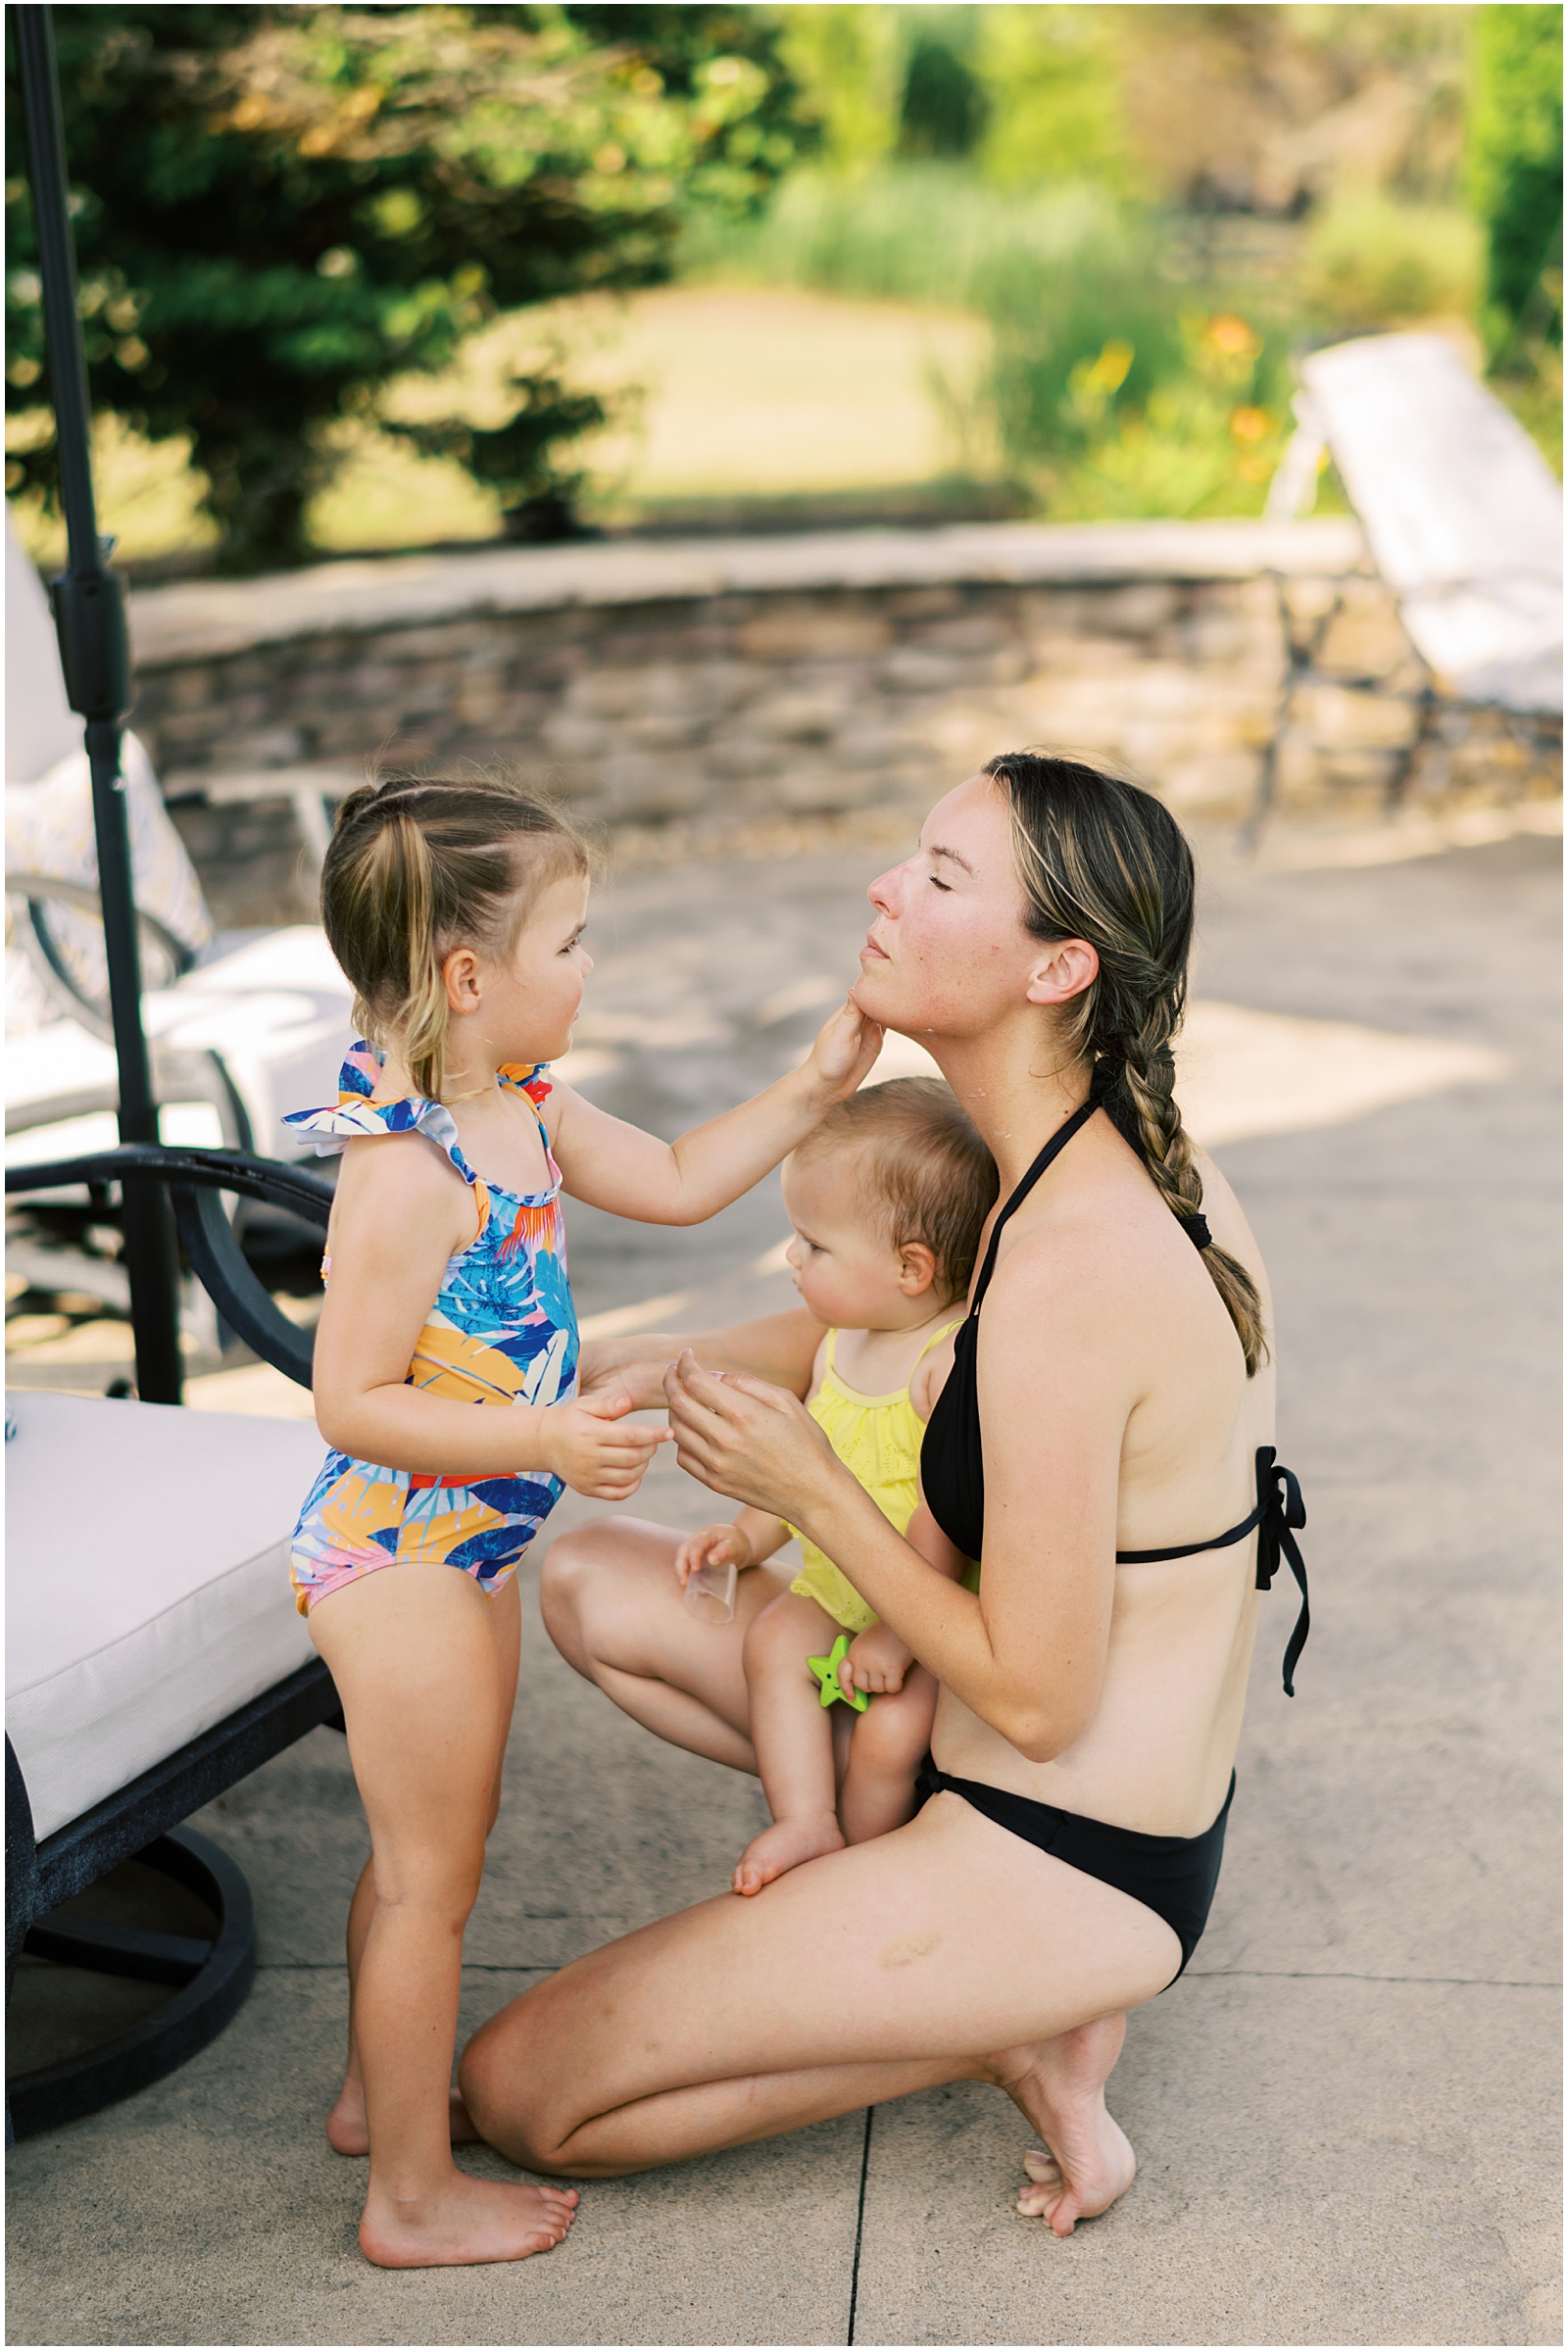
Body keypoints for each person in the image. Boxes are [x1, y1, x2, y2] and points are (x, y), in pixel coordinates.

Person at [459, 752, 1309, 2234]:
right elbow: (907, 1324)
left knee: (525, 2094)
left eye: (940, 876)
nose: (883, 888)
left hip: (1067, 1844)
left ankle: (997, 2020)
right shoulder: (1047, 1153)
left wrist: (817, 1493)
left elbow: (1042, 1702)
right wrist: (668, 1363)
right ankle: (882, 1907)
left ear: (1058, 966)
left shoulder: (1080, 1271)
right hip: (956, 1740)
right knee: (596, 1579)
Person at [286, 774, 881, 2271]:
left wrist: (817, 1089)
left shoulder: (523, 1107)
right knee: (433, 1881)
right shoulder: (406, 1170)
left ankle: (382, 2097)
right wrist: (542, 1434)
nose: (592, 965)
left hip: (473, 1542)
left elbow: (679, 1182)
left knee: (433, 1846)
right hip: (399, 1553)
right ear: (468, 978)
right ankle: (409, 2198)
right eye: (572, 942)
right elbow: (348, 1401)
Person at [673, 1079, 998, 1895]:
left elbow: (945, 1514)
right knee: (773, 1644)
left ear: (910, 1268)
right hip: (831, 1590)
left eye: (814, 1244)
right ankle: (806, 1816)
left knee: (892, 1736)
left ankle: (863, 1868)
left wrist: (896, 1633)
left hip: (925, 1608)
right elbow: (808, 1465)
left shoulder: (942, 1365)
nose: (791, 1256)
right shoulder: (840, 1343)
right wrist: (746, 1537)